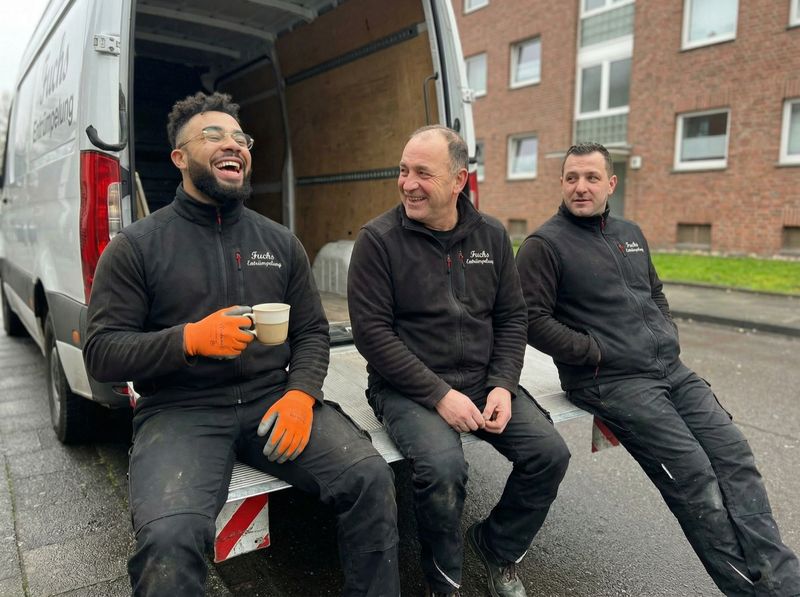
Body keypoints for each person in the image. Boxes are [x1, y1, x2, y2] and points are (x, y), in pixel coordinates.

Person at [84, 91, 399, 597]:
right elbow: (102, 353)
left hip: (273, 401)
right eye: (214, 135)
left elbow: (313, 333)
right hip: (180, 412)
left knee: (369, 479)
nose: (233, 144)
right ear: (179, 158)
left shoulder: (279, 242)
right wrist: (189, 339)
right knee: (169, 539)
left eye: (240, 138)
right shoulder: (137, 247)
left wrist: (301, 395)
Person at [516, 142, 800, 597]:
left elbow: (654, 291)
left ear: (611, 183)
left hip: (670, 370)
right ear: (562, 183)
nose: (580, 187)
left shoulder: (630, 232)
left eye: (591, 178)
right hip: (610, 381)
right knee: (696, 482)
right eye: (571, 178)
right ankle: (753, 591)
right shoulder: (544, 245)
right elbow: (531, 320)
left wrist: (665, 332)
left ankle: (784, 581)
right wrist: (593, 352)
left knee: (734, 457)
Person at [347, 125, 570, 597]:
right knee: (443, 471)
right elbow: (373, 336)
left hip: (482, 378)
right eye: (403, 171)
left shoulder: (491, 235)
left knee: (549, 454)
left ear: (458, 181)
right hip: (405, 386)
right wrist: (439, 395)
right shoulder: (378, 240)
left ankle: (496, 546)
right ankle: (443, 583)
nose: (408, 183)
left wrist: (503, 385)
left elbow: (512, 317)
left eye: (423, 173)